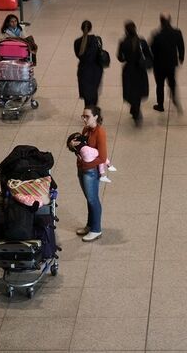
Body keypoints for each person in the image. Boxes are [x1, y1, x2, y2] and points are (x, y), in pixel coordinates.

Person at [76, 106, 107, 241]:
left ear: (95, 117)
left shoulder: (100, 133)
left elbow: (103, 157)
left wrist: (86, 163)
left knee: (93, 199)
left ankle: (96, 229)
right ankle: (90, 225)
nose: (84, 119)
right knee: (89, 199)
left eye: (87, 116)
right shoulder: (86, 130)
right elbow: (83, 148)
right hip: (82, 169)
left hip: (91, 172)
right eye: (83, 116)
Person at [117, 21, 151, 126]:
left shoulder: (123, 43)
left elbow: (120, 58)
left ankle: (135, 111)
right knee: (138, 90)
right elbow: (149, 55)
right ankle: (136, 109)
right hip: (140, 70)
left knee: (130, 91)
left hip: (129, 70)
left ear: (126, 31)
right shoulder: (142, 42)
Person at [150, 14, 185, 113]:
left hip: (159, 65)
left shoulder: (156, 35)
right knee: (172, 82)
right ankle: (174, 98)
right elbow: (181, 46)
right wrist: (181, 57)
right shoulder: (177, 33)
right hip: (171, 64)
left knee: (160, 85)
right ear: (170, 21)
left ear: (161, 22)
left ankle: (160, 105)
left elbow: (152, 49)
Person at [74, 20, 105, 108]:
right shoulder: (96, 40)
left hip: (83, 70)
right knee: (94, 91)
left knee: (87, 94)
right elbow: (99, 53)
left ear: (81, 29)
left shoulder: (77, 42)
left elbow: (78, 55)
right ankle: (93, 110)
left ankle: (88, 110)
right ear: (90, 29)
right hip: (96, 70)